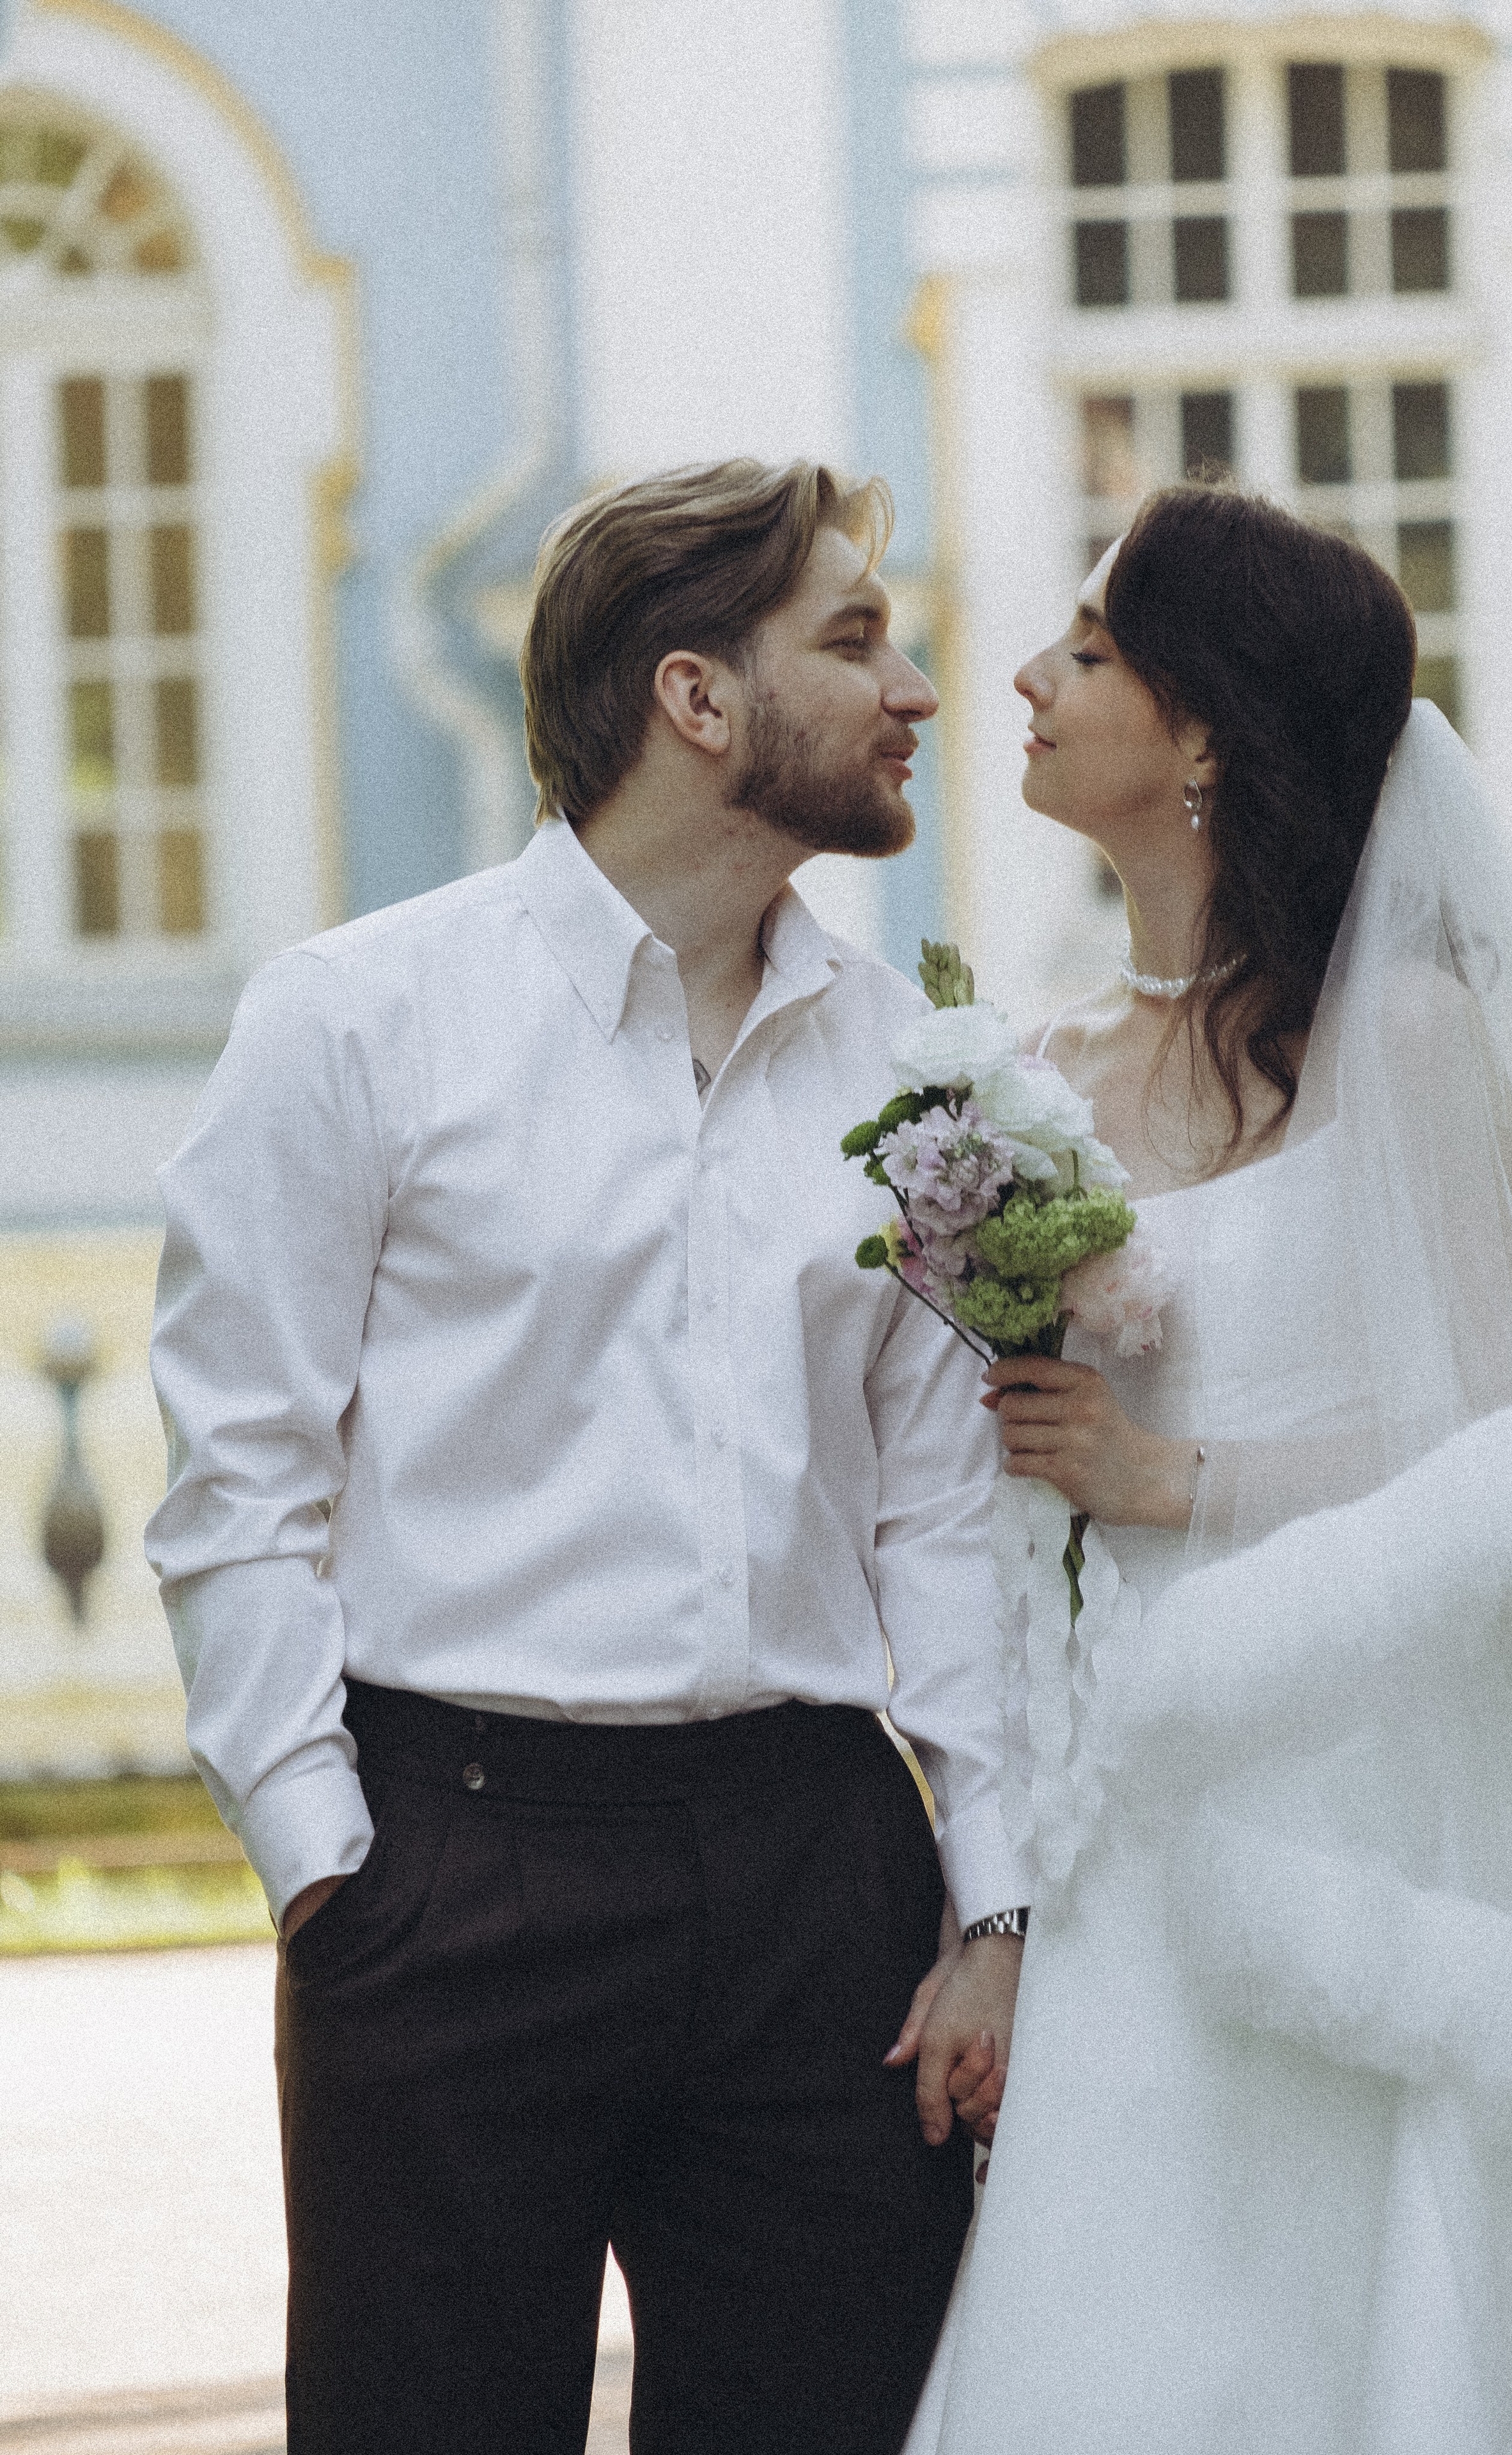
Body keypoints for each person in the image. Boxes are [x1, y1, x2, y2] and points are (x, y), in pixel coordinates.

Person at [145, 458, 1029, 2455]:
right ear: (696, 697)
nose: (916, 691)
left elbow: (942, 1513)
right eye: (857, 638)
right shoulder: (356, 1025)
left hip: (823, 1890)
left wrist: (994, 1908)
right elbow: (238, 1485)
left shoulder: (905, 1064)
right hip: (454, 1866)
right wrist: (325, 1868)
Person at [908, 486, 1512, 2453]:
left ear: (1207, 725)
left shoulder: (1402, 1033)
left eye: (1086, 647)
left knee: (1362, 2303)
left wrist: (1178, 1477)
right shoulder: (1021, 1082)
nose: (1028, 681)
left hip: (1368, 1775)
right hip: (1119, 1796)